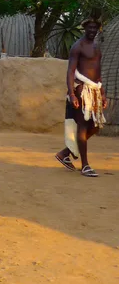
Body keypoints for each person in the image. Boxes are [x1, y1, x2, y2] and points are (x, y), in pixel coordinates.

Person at [55, 18, 107, 177]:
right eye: (90, 27)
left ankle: (65, 152)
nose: (92, 30)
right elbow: (71, 71)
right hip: (82, 90)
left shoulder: (97, 47)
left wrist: (102, 92)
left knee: (96, 126)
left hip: (95, 91)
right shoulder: (77, 47)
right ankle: (85, 165)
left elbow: (97, 71)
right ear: (85, 28)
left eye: (95, 28)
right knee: (83, 126)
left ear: (98, 29)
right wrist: (72, 93)